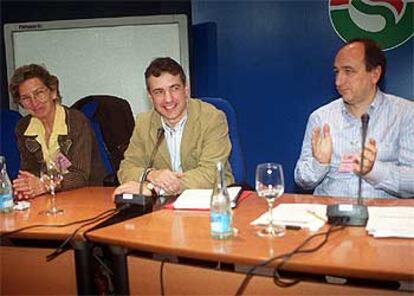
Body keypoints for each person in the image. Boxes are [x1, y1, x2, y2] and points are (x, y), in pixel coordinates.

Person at [295, 38, 414, 198]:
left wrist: (374, 171)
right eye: (336, 72)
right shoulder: (320, 117)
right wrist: (320, 164)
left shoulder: (406, 114)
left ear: (375, 74)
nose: (338, 82)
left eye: (348, 71)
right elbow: (302, 180)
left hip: (381, 216)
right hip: (329, 215)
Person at [115, 57, 234, 196]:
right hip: (164, 208)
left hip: (211, 201)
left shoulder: (212, 118)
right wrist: (150, 174)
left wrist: (155, 189)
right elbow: (126, 168)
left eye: (174, 88)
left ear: (186, 89)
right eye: (159, 92)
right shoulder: (144, 122)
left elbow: (211, 173)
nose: (168, 99)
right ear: (150, 96)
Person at [10, 64, 106, 200]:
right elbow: (30, 170)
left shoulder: (76, 121)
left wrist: (45, 185)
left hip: (87, 194)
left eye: (39, 93)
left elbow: (80, 176)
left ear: (53, 92)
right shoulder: (23, 127)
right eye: (26, 98)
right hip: (50, 197)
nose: (34, 102)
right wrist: (25, 186)